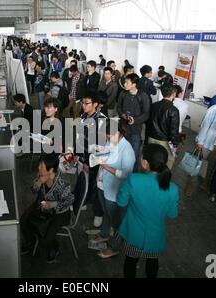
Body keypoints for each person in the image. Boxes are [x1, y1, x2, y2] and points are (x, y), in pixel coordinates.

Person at [117, 144, 179, 278]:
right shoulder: (173, 188)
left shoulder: (133, 179)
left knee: (130, 263)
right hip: (155, 236)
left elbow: (121, 202)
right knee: (152, 263)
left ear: (145, 163)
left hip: (133, 234)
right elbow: (172, 214)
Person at [93, 120, 136, 258]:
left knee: (117, 220)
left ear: (120, 132)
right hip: (102, 184)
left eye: (110, 134)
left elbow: (127, 174)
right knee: (106, 212)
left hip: (114, 189)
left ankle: (114, 246)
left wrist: (107, 167)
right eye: (106, 135)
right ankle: (105, 233)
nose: (107, 137)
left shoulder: (127, 149)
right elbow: (105, 155)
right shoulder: (111, 141)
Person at [20, 154, 74, 263]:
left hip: (60, 213)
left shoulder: (62, 182)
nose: (39, 168)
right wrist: (39, 183)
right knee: (23, 220)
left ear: (51, 170)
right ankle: (30, 242)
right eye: (39, 165)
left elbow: (70, 200)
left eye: (41, 166)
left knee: (44, 241)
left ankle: (55, 246)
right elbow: (33, 190)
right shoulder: (41, 174)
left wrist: (52, 204)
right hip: (42, 206)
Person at [77, 93, 107, 228]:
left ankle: (98, 213)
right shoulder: (83, 116)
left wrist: (88, 162)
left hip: (95, 160)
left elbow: (100, 147)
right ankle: (83, 201)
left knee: (95, 186)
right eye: (83, 103)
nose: (84, 106)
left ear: (95, 104)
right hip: (84, 157)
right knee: (83, 181)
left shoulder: (102, 120)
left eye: (87, 103)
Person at [117, 73, 150, 170]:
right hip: (123, 128)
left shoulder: (143, 96)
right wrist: (122, 114)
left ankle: (133, 174)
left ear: (134, 84)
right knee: (121, 152)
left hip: (136, 130)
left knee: (134, 154)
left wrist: (135, 120)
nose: (124, 84)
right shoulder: (123, 93)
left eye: (127, 83)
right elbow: (118, 107)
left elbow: (146, 114)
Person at [146, 84, 180, 170]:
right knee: (168, 161)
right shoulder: (173, 110)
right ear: (173, 94)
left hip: (151, 138)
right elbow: (174, 130)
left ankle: (149, 177)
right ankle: (162, 179)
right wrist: (174, 145)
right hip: (165, 142)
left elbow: (148, 123)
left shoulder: (154, 105)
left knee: (151, 159)